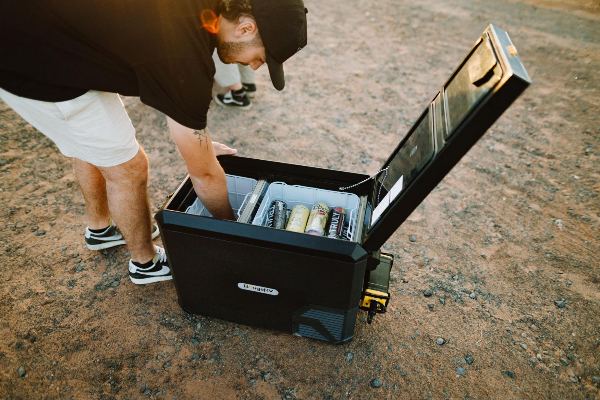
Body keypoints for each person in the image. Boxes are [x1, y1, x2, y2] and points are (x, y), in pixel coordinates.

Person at [0, 0, 307, 284]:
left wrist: (201, 144)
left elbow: (158, 74)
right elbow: (204, 174)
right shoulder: (186, 56)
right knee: (129, 168)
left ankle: (100, 228)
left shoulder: (194, 16)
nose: (254, 67)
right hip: (29, 57)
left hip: (56, 36)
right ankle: (144, 263)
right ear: (246, 28)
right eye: (261, 58)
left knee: (95, 143)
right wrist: (233, 228)